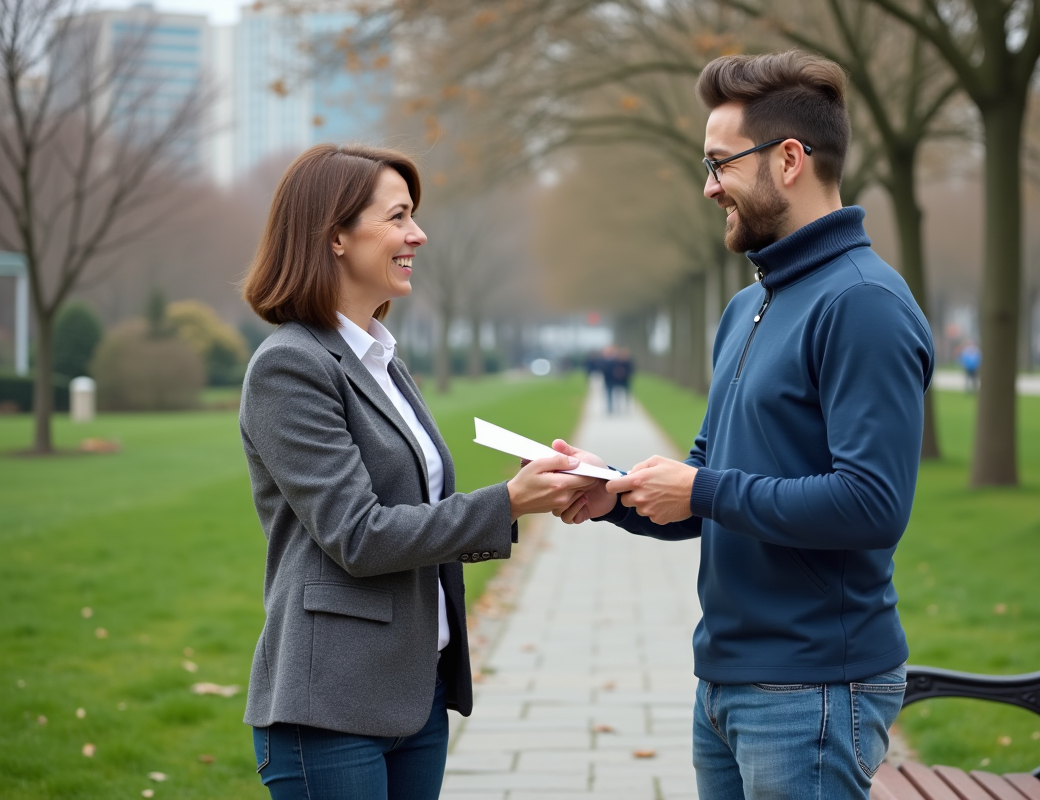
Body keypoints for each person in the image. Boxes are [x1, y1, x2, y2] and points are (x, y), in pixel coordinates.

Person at [555, 51, 933, 800]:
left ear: (789, 159)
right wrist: (618, 497)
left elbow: (872, 506)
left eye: (719, 163)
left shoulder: (862, 304)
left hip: (814, 688)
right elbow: (712, 472)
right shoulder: (749, 304)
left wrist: (703, 489)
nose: (707, 186)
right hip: (729, 680)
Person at [238, 144, 594, 799]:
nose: (418, 234)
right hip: (330, 706)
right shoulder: (289, 367)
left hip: (414, 693)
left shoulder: (382, 359)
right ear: (335, 236)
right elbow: (358, 534)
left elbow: (417, 505)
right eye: (399, 216)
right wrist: (509, 503)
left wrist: (534, 481)